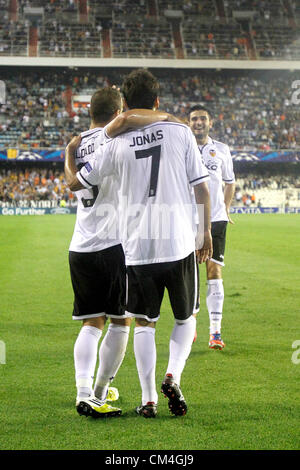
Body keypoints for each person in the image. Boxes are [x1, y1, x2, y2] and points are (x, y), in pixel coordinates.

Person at [67, 69, 212, 418]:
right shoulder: (180, 130)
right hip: (171, 240)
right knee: (183, 317)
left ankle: (144, 399)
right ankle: (171, 375)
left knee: (140, 323)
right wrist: (205, 232)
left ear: (125, 105)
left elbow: (77, 183)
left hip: (130, 245)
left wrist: (71, 153)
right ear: (157, 102)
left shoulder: (111, 141)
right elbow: (202, 187)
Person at [65, 86, 173, 418]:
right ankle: (96, 394)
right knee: (121, 321)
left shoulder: (78, 143)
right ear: (119, 111)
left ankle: (84, 390)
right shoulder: (118, 137)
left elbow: (72, 183)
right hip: (115, 244)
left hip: (80, 245)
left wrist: (68, 154)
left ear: (89, 113)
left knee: (90, 323)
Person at [188, 104, 235, 350]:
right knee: (190, 276)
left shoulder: (222, 150)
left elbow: (230, 182)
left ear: (210, 122)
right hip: (190, 218)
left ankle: (215, 332)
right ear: (189, 123)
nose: (199, 122)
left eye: (202, 118)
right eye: (194, 118)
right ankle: (190, 327)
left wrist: (225, 209)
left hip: (215, 219)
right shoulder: (183, 148)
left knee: (214, 272)